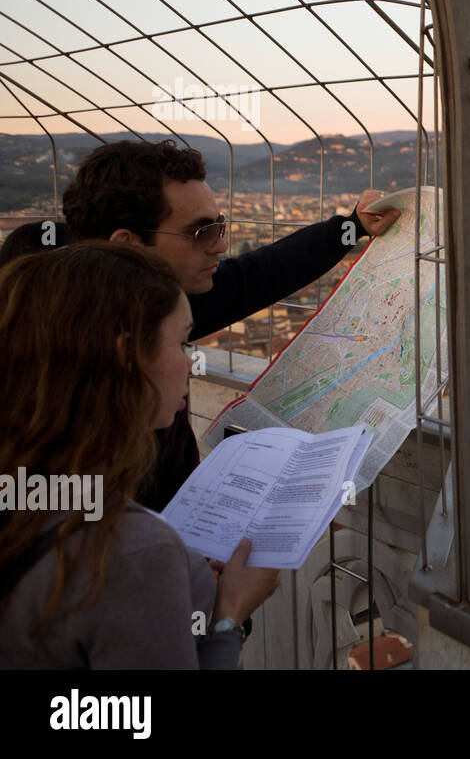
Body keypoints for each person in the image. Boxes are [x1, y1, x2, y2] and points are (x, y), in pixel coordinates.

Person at [60, 139, 400, 511]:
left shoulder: (147, 303)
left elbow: (260, 275)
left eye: (220, 227)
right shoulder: (55, 376)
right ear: (129, 245)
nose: (220, 246)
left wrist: (351, 228)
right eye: (201, 232)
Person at [0, 242, 281, 668]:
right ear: (127, 356)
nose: (191, 365)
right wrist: (229, 616)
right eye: (183, 343)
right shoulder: (128, 551)